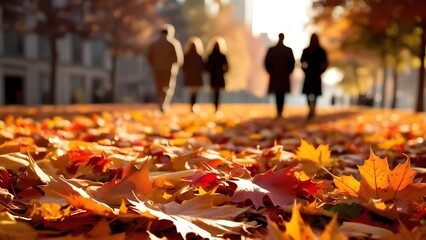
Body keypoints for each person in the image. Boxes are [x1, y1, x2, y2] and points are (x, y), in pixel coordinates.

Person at [147, 24, 183, 112]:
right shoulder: (173, 44)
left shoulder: (154, 44)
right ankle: (164, 104)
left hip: (157, 69)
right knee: (167, 87)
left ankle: (160, 104)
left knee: (159, 87)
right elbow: (178, 59)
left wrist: (154, 64)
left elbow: (149, 56)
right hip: (168, 69)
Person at [264, 33, 295, 118]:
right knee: (281, 95)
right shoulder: (288, 50)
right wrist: (288, 72)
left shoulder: (272, 50)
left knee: (278, 94)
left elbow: (266, 63)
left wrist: (270, 72)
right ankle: (280, 111)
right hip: (283, 76)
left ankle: (279, 111)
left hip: (275, 76)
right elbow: (292, 64)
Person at [301, 33, 328, 120]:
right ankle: (311, 108)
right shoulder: (307, 50)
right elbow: (302, 62)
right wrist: (305, 71)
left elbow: (325, 63)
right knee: (309, 94)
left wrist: (320, 72)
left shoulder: (321, 51)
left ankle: (312, 109)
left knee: (314, 94)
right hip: (310, 75)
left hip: (316, 75)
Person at [205, 37, 229, 112]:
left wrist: (211, 70)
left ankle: (215, 106)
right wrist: (223, 71)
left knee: (214, 92)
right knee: (218, 93)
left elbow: (206, 66)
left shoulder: (210, 55)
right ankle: (216, 107)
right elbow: (227, 67)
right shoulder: (222, 55)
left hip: (213, 76)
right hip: (219, 76)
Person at [182, 37, 205, 112]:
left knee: (191, 92)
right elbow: (202, 67)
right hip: (197, 77)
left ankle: (192, 105)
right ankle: (193, 105)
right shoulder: (199, 56)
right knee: (195, 93)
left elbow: (183, 67)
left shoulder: (186, 55)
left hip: (189, 76)